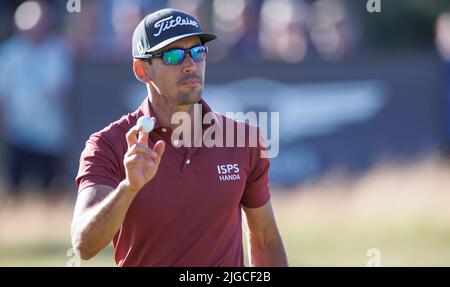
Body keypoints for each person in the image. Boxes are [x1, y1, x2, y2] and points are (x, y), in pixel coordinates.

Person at [71, 8, 288, 267]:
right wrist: (128, 189)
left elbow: (265, 240)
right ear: (142, 71)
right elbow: (84, 245)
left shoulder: (242, 139)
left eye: (197, 52)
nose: (189, 65)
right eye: (173, 55)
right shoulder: (108, 145)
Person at [0, 1, 73, 195]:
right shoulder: (9, 53)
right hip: (18, 132)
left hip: (49, 135)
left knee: (49, 190)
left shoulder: (58, 50)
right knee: (16, 190)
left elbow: (61, 89)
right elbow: (4, 95)